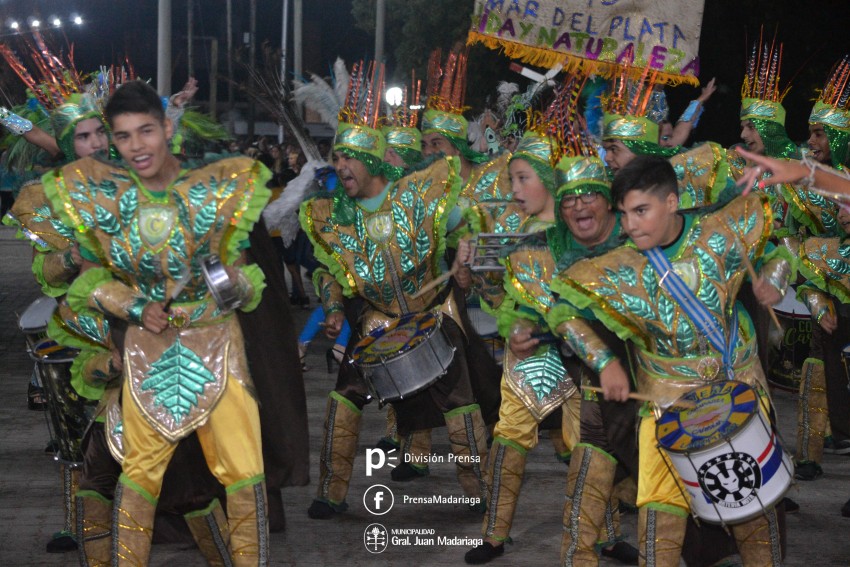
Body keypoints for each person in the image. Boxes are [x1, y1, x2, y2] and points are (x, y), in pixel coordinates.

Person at [44, 80, 272, 565]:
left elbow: (245, 276)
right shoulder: (103, 200)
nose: (136, 146)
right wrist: (131, 306)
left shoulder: (215, 189)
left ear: (167, 127)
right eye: (123, 136)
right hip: (148, 349)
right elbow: (90, 280)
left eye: (145, 131)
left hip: (217, 346)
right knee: (140, 474)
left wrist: (235, 284)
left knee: (244, 470)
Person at [548, 155, 793, 566]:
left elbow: (779, 252)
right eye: (624, 214)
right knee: (659, 522)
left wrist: (775, 280)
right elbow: (561, 313)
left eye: (641, 211)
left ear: (673, 202)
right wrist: (604, 361)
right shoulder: (619, 267)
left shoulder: (720, 235)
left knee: (755, 515)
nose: (630, 225)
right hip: (665, 404)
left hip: (737, 393)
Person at [457, 78, 640, 564]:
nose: (514, 189)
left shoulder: (602, 237)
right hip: (534, 356)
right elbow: (500, 297)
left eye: (524, 178)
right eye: (512, 179)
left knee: (589, 445)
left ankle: (606, 534)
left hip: (585, 362)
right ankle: (494, 535)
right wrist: (505, 315)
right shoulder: (509, 230)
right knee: (511, 436)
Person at [300, 61, 491, 520]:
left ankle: (480, 491)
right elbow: (326, 271)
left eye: (349, 158)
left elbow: (471, 225)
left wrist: (467, 250)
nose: (340, 165)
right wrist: (330, 303)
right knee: (344, 397)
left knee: (462, 405)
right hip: (377, 322)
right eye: (337, 156)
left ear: (370, 160)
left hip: (433, 318)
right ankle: (331, 491)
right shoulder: (333, 215)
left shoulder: (420, 195)